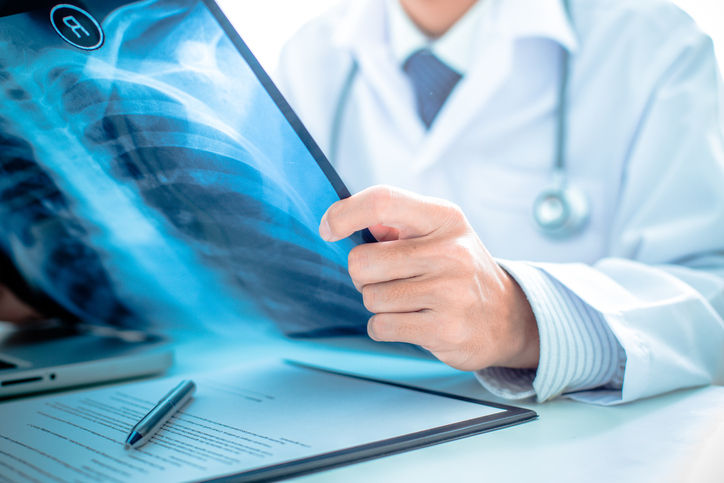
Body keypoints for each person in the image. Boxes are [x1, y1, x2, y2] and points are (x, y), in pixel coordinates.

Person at [275, 0, 724, 404]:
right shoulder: (309, 54)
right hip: (349, 404)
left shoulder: (655, 46)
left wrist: (523, 321)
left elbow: (711, 308)